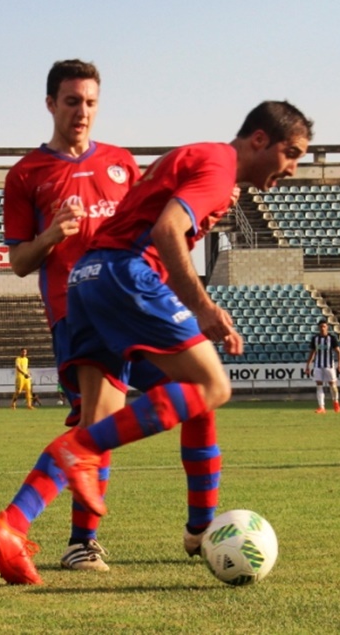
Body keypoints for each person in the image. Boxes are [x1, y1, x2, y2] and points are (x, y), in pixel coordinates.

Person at [43, 101, 311, 548]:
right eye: (293, 153)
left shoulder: (203, 158)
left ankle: (91, 538)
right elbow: (167, 230)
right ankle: (78, 452)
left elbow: (157, 205)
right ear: (260, 139)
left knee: (182, 404)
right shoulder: (220, 166)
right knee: (212, 385)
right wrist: (204, 308)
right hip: (125, 274)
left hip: (89, 277)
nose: (294, 169)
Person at [0, 59, 143, 582]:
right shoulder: (28, 174)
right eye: (72, 101)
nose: (82, 112)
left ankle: (64, 537)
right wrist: (52, 234)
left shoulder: (123, 164)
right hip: (74, 307)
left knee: (103, 426)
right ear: (51, 103)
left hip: (123, 305)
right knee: (103, 423)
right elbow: (19, 262)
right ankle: (60, 535)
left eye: (91, 102)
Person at [306, 319, 340, 414]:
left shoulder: (331, 338)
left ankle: (335, 402)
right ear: (319, 328)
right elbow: (312, 352)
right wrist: (308, 365)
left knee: (333, 385)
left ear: (327, 327)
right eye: (321, 326)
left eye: (324, 326)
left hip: (329, 365)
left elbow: (339, 352)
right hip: (318, 365)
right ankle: (321, 407)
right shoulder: (315, 339)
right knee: (319, 385)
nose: (322, 328)